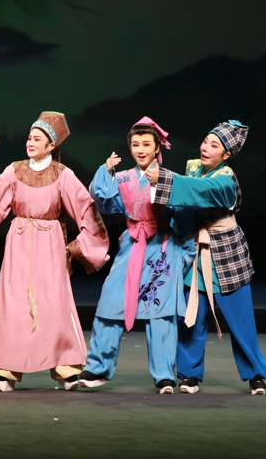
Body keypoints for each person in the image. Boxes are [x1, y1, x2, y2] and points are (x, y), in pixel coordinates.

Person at [0, 111, 109, 391]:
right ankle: (4, 370)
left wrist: (79, 246)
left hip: (50, 242)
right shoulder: (14, 170)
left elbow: (85, 208)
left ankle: (65, 367)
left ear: (51, 145)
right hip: (19, 240)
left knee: (53, 303)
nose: (30, 143)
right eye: (29, 137)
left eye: (37, 139)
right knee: (13, 303)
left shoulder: (62, 174)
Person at [79, 117, 195, 394]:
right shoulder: (123, 178)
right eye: (135, 144)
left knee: (161, 314)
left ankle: (164, 375)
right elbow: (107, 205)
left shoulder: (171, 178)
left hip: (163, 248)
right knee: (110, 304)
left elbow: (185, 216)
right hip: (131, 246)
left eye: (146, 144)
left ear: (157, 148)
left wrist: (185, 254)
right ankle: (97, 367)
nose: (140, 149)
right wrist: (106, 172)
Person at [154, 120, 266, 395]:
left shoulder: (226, 179)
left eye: (214, 145)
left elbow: (200, 191)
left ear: (226, 154)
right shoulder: (194, 167)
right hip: (195, 249)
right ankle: (189, 374)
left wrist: (163, 178)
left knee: (241, 320)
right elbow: (185, 201)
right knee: (192, 316)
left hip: (227, 252)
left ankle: (255, 374)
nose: (206, 148)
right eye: (206, 141)